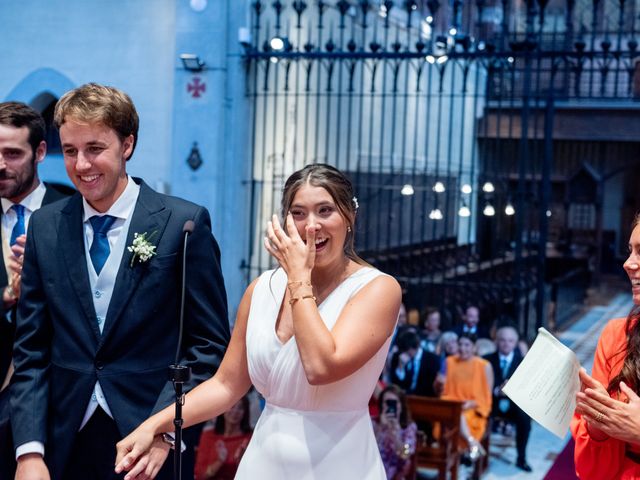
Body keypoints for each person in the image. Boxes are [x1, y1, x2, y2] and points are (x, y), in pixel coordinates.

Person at [114, 163, 402, 479]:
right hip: (264, 461)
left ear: (350, 217)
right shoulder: (262, 289)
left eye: (325, 211)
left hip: (339, 462)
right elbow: (226, 385)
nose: (311, 226)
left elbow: (321, 367)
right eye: (299, 213)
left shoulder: (378, 289)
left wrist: (298, 278)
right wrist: (154, 425)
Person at [10, 83, 230, 480]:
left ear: (127, 145)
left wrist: (165, 431)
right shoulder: (46, 226)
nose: (81, 165)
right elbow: (31, 350)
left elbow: (208, 346)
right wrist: (29, 451)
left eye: (95, 148)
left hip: (149, 441)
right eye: (71, 151)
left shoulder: (182, 224)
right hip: (62, 440)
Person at [0, 102, 74, 480]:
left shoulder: (74, 212)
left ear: (40, 152)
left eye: (12, 154)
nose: (0, 165)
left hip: (58, 396)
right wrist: (7, 297)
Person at [571, 213, 640, 479]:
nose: (628, 264)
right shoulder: (616, 335)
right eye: (630, 251)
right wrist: (598, 424)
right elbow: (594, 472)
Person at [484, 324, 532, 472]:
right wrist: (497, 389)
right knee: (479, 413)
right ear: (497, 341)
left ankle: (521, 458)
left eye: (510, 341)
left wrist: (513, 390)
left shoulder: (524, 362)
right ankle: (479, 457)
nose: (506, 344)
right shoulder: (486, 360)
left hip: (514, 404)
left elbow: (528, 388)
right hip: (492, 401)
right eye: (503, 340)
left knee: (525, 419)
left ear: (516, 343)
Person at [442, 333, 493, 459]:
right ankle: (472, 443)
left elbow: (487, 396)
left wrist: (471, 403)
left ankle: (468, 446)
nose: (463, 348)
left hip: (474, 409)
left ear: (474, 347)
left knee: (463, 416)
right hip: (452, 406)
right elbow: (444, 392)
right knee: (456, 413)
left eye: (467, 345)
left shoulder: (484, 366)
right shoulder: (449, 361)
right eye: (460, 344)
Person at [194, 396, 253, 480]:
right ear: (223, 409)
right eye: (232, 406)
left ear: (245, 412)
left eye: (240, 408)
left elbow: (253, 474)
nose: (235, 411)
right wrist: (219, 461)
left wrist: (241, 460)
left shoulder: (249, 438)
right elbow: (199, 475)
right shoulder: (208, 436)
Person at [373, 385, 417, 480]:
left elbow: (406, 455)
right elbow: (367, 451)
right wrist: (381, 428)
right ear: (381, 405)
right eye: (387, 403)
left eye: (394, 403)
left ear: (401, 406)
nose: (390, 406)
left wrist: (395, 436)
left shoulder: (409, 428)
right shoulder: (373, 424)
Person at [390, 329, 441, 397]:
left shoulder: (432, 359)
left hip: (424, 398)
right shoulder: (398, 356)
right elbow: (396, 383)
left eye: (407, 350)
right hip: (404, 397)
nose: (404, 353)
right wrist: (400, 366)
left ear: (416, 347)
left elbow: (431, 384)